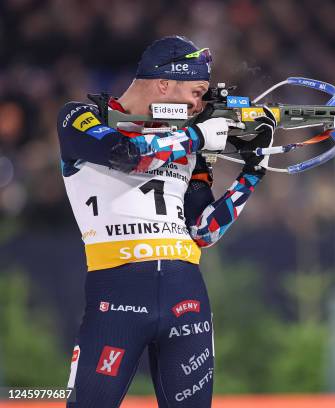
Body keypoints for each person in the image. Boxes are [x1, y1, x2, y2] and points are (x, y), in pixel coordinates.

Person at [56, 35, 276, 407]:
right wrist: (195, 136)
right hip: (117, 295)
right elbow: (125, 153)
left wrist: (253, 172)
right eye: (195, 91)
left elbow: (205, 231)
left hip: (185, 294)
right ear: (163, 83)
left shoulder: (189, 145)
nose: (198, 104)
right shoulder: (80, 116)